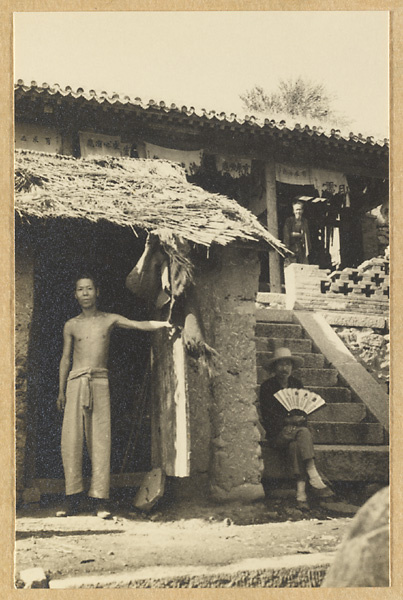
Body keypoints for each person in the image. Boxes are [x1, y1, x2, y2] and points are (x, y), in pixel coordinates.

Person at [56, 274, 173, 518]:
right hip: (76, 382)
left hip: (99, 381)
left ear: (97, 292)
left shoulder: (109, 320)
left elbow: (138, 324)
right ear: (75, 295)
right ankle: (72, 498)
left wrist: (163, 324)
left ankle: (99, 499)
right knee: (71, 441)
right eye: (80, 289)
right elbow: (65, 358)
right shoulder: (71, 324)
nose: (85, 293)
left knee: (100, 439)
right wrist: (61, 390)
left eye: (89, 288)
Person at [259, 347, 333, 509]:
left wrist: (299, 419)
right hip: (277, 435)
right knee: (303, 433)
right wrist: (287, 421)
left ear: (292, 367)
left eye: (288, 365)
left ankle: (301, 495)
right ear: (274, 367)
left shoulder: (297, 384)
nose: (285, 368)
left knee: (296, 444)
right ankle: (313, 473)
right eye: (281, 364)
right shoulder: (267, 387)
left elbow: (304, 409)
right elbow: (267, 417)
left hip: (296, 435)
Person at [283, 200, 311, 264]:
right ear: (293, 211)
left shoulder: (304, 221)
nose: (298, 212)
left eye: (300, 209)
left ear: (302, 211)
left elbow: (306, 236)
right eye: (296, 210)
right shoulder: (289, 221)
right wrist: (299, 235)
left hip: (301, 248)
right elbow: (286, 234)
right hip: (291, 248)